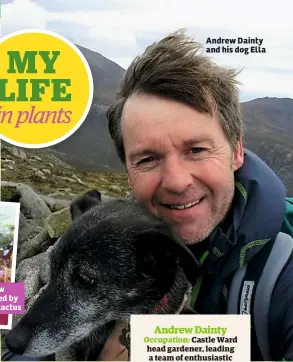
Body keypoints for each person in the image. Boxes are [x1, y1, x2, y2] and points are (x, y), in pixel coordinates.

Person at [106, 29, 293, 361]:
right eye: (148, 159)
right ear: (128, 169)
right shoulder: (109, 241)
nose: (176, 182)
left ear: (236, 151)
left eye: (196, 149)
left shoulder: (285, 267)